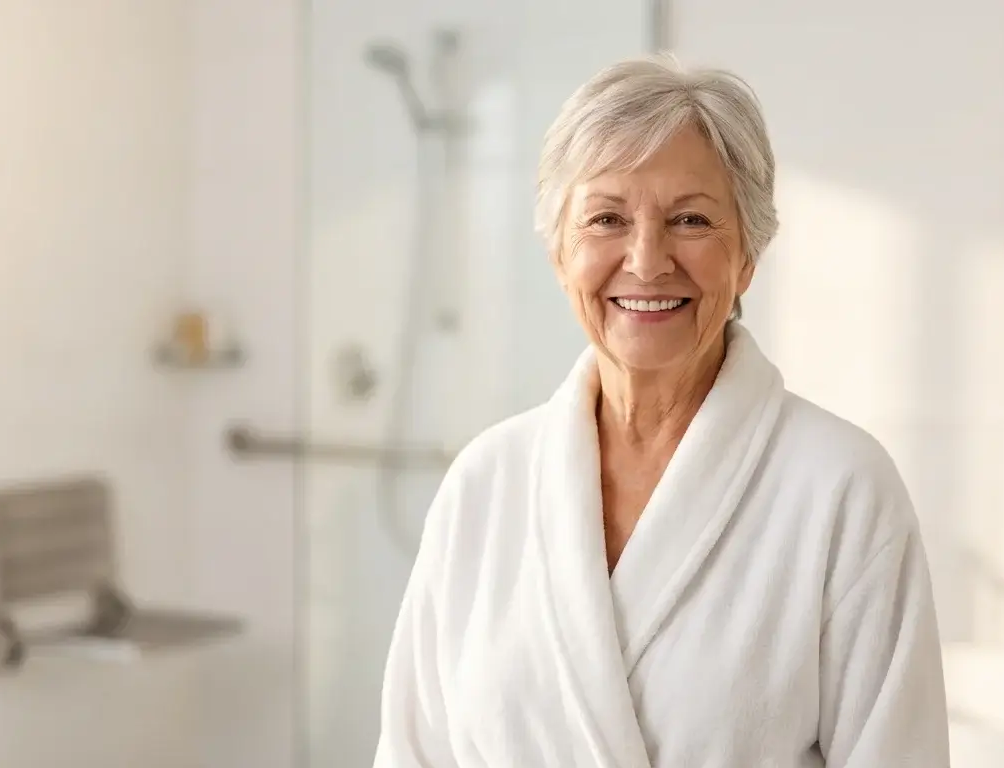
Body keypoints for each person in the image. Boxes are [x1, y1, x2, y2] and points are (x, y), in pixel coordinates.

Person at [373, 54, 950, 768]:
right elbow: (412, 752)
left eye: (691, 220)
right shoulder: (484, 483)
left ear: (748, 256)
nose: (646, 262)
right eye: (607, 218)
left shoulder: (842, 488)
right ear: (559, 252)